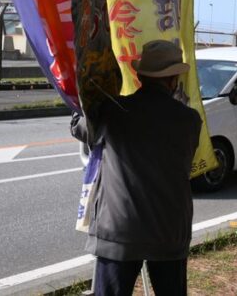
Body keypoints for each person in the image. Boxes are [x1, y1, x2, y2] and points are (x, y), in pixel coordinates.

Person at [71, 40, 202, 296]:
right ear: (174, 80)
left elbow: (81, 128)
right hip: (169, 230)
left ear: (139, 76)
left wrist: (83, 99)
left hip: (119, 229)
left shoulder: (113, 111)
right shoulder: (189, 120)